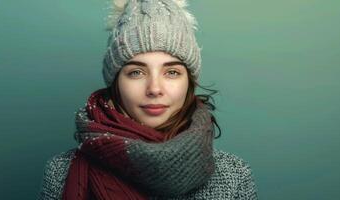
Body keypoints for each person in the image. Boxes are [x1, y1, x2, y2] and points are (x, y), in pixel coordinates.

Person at [38, 0, 258, 199]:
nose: (154, 89)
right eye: (136, 72)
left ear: (189, 83)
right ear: (116, 84)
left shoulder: (234, 175)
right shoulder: (60, 172)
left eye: (172, 72)